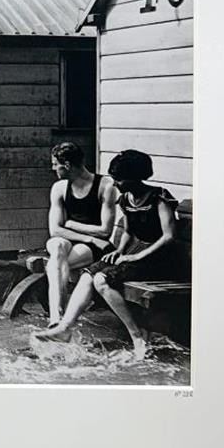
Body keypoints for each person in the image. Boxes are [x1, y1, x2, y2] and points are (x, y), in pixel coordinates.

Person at [33, 150, 180, 360]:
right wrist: (120, 251)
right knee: (88, 274)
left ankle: (137, 335)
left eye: (119, 179)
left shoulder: (159, 197)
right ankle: (65, 328)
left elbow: (169, 236)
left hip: (160, 258)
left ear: (134, 178)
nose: (116, 183)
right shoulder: (127, 199)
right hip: (135, 254)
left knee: (101, 280)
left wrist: (136, 257)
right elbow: (128, 232)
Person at [40, 142, 117, 327]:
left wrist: (71, 224)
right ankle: (58, 317)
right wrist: (89, 237)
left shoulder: (105, 186)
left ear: (67, 165)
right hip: (79, 240)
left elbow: (105, 230)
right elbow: (55, 230)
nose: (53, 169)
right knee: (58, 246)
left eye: (55, 164)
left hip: (90, 248)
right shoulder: (59, 188)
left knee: (55, 265)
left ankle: (57, 318)